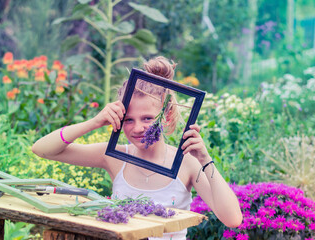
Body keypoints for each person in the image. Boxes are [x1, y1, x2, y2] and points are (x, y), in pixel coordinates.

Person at [32, 56, 242, 239]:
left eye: (148, 118)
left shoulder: (186, 163)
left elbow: (232, 219)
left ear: (166, 116)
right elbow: (42, 149)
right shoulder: (115, 157)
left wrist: (205, 160)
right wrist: (94, 122)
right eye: (128, 120)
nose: (138, 127)